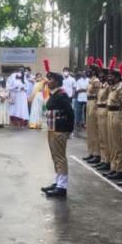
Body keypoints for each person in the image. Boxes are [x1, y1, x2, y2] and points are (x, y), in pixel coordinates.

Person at [42, 66, 75, 199]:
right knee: (55, 157)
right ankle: (57, 182)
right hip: (52, 129)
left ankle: (62, 187)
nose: (48, 82)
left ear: (56, 82)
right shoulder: (54, 94)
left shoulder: (62, 95)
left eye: (50, 80)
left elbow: (70, 114)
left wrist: (69, 131)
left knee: (60, 158)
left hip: (59, 130)